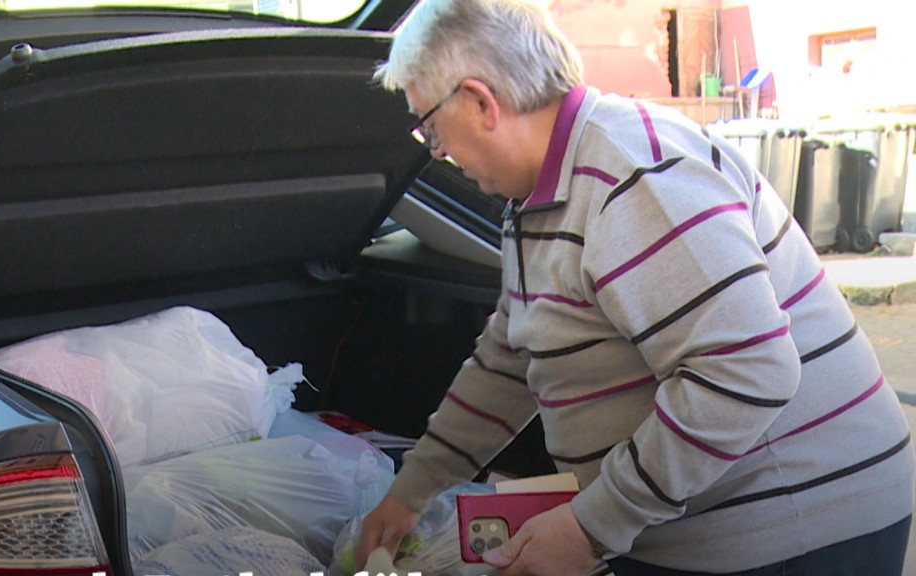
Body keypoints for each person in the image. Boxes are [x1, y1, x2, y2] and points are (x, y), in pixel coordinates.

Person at [355, 1, 916, 575]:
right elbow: (511, 360)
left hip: (798, 524)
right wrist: (412, 492)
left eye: (430, 124)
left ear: (479, 101)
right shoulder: (538, 198)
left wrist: (591, 525)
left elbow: (746, 369)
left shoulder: (634, 174)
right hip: (690, 521)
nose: (437, 150)